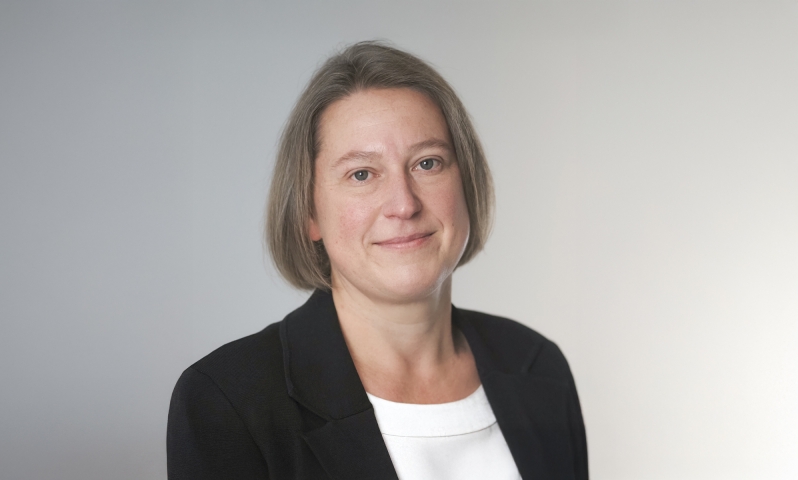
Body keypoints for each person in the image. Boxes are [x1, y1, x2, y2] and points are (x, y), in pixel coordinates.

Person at [167, 41, 588, 480]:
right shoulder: (229, 401)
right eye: (361, 174)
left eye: (427, 163)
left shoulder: (538, 366)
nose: (403, 204)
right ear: (309, 214)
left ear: (468, 186)